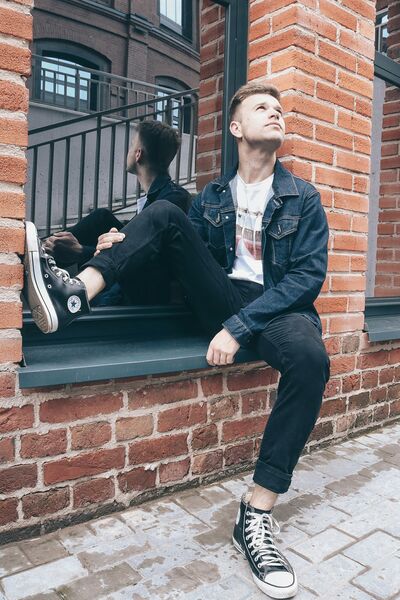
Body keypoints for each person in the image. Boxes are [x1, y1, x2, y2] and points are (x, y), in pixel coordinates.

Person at [24, 82, 330, 599]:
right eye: (262, 108)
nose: (276, 113)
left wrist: (239, 327)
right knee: (162, 216)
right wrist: (122, 244)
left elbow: (307, 278)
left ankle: (256, 513)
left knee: (309, 358)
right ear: (236, 128)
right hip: (220, 296)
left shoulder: (303, 196)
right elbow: (178, 257)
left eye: (280, 109)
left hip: (278, 306)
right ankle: (75, 296)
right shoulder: (211, 197)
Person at [42, 120, 191, 305]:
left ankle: (47, 263)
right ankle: (44, 256)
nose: (128, 151)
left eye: (131, 145)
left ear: (138, 154)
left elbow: (144, 254)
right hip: (132, 275)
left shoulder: (172, 199)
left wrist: (82, 252)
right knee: (101, 218)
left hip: (146, 290)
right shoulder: (155, 198)